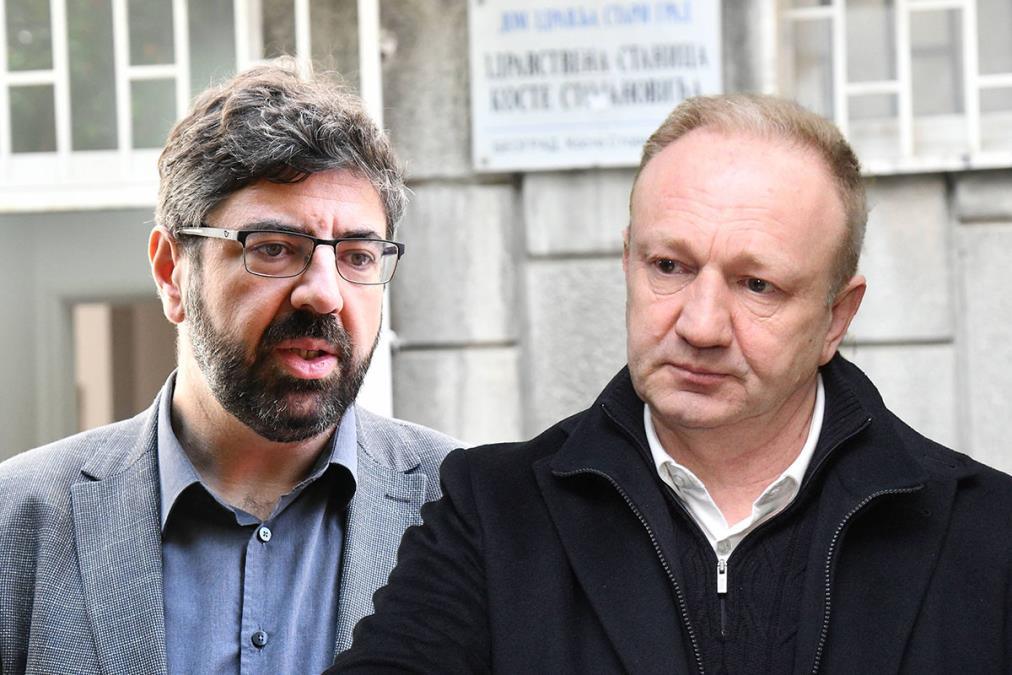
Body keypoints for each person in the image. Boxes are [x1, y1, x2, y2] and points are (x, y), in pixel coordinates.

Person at [330, 94, 1012, 674]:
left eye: (757, 284)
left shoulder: (987, 536)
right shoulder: (492, 514)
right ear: (627, 260)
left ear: (838, 315)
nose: (701, 325)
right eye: (669, 266)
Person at [0, 61, 459, 674]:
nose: (324, 294)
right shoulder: (18, 524)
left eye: (357, 256)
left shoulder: (467, 511)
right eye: (273, 249)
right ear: (171, 273)